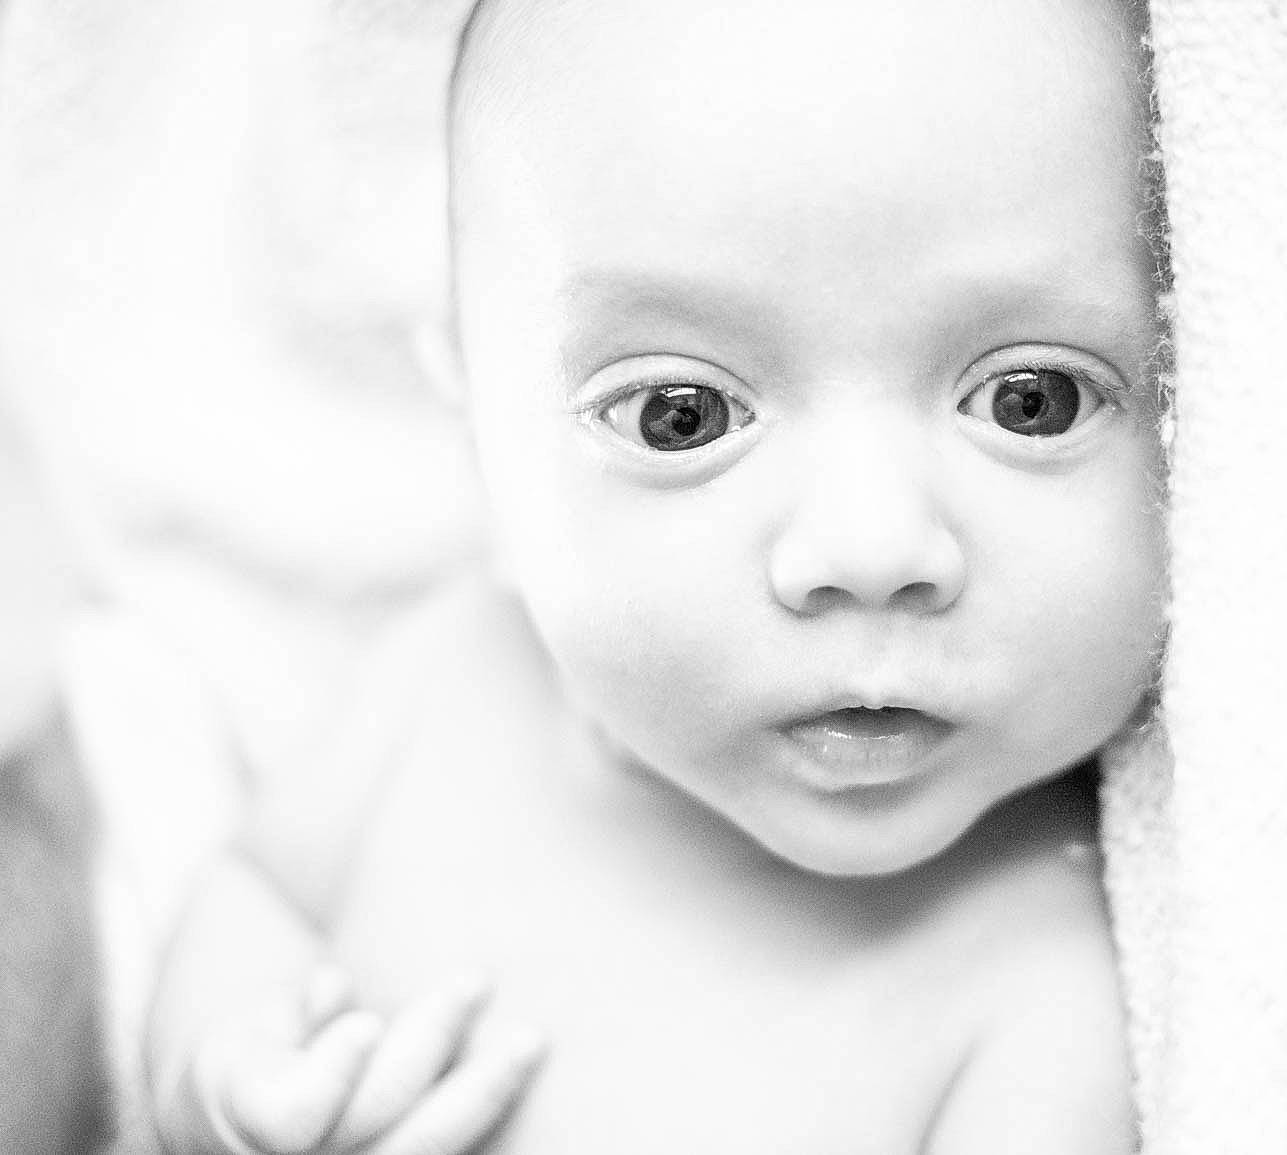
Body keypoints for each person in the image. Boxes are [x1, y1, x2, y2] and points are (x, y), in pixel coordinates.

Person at [145, 0, 1169, 1149]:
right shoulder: (445, 684)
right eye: (681, 415)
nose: (870, 548)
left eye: (1033, 402)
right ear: (477, 438)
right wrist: (220, 1087)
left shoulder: (1041, 1011)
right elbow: (257, 892)